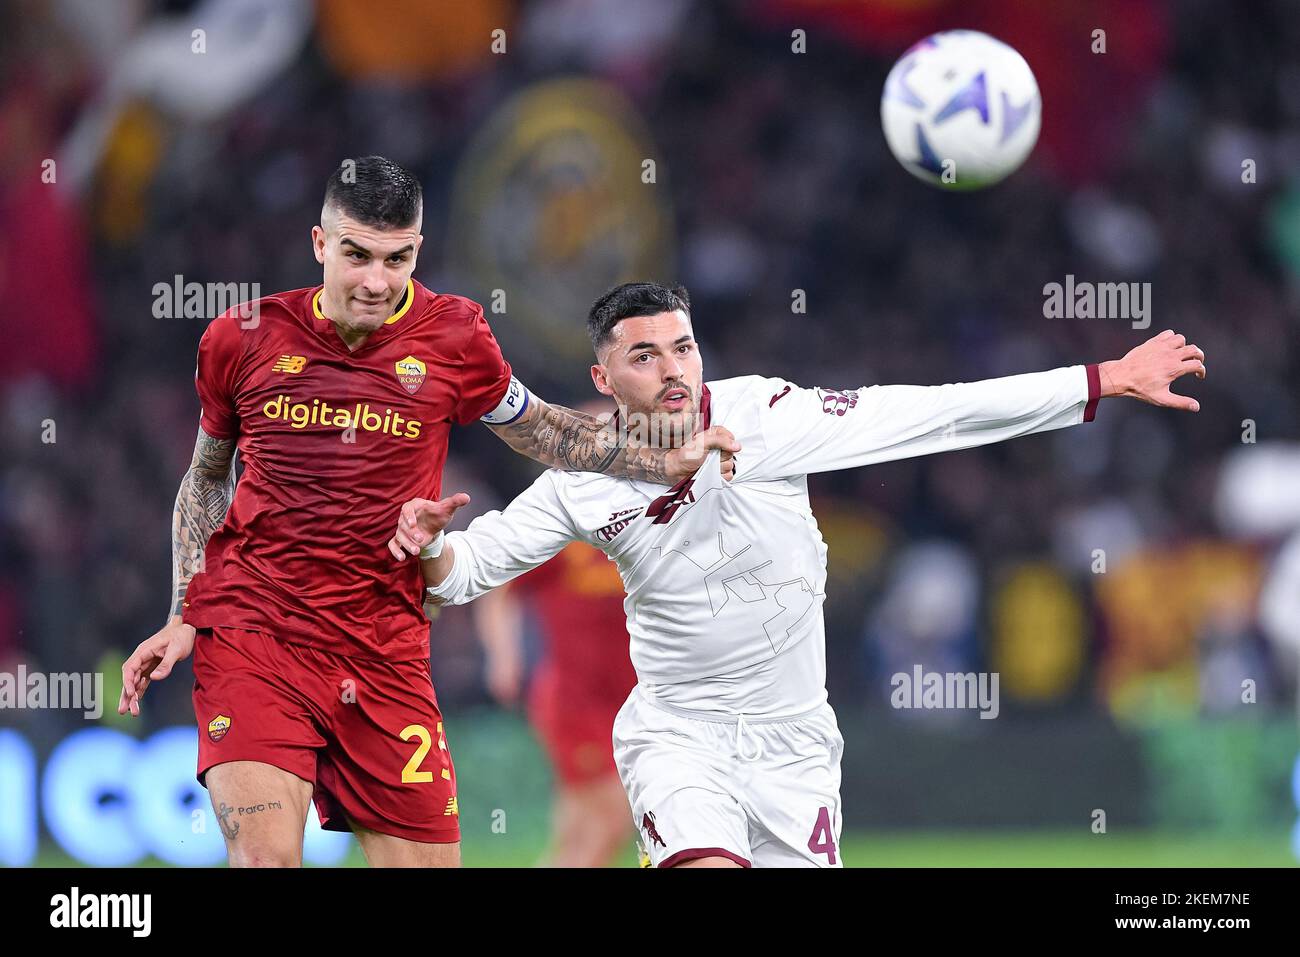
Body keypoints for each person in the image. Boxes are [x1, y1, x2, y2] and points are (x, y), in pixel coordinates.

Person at [389, 281, 1206, 867]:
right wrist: (429, 544)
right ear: (604, 381)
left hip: (795, 744)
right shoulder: (582, 477)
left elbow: (934, 412)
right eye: (644, 355)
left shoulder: (768, 416)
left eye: (683, 347)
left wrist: (1099, 380)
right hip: (678, 736)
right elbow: (466, 570)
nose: (673, 369)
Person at [116, 160, 736, 869]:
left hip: (385, 649)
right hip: (257, 635)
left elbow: (545, 431)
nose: (376, 282)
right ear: (320, 243)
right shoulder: (242, 338)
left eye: (397, 259)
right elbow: (205, 478)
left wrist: (663, 463)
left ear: (418, 249)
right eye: (357, 256)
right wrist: (182, 611)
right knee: (265, 859)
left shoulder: (455, 336)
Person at [473, 539, 638, 867]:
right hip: (575, 702)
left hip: (630, 701)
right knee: (612, 815)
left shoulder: (639, 534)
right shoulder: (568, 539)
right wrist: (503, 656)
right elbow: (500, 587)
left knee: (580, 832)